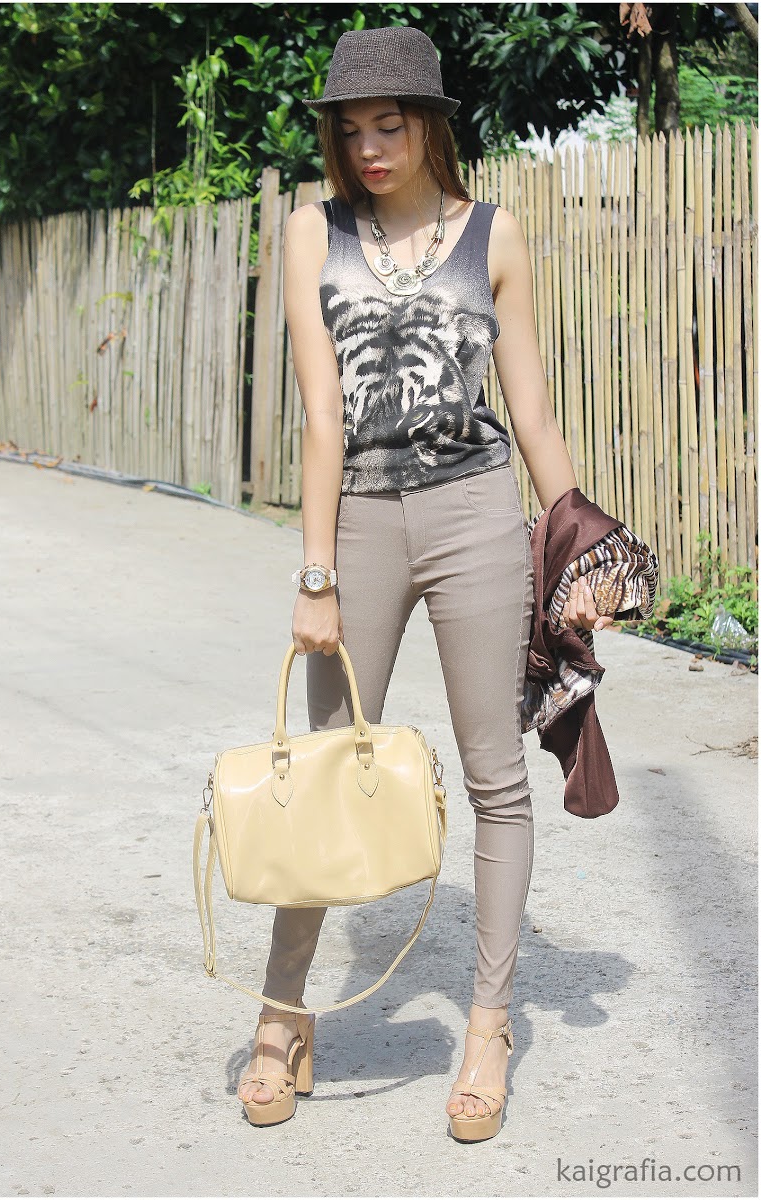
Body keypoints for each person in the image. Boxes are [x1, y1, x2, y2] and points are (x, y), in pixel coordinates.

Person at [233, 26, 613, 1142]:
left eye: (388, 126)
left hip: (474, 513)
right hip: (357, 519)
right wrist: (314, 571)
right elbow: (320, 413)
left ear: (430, 125)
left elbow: (530, 410)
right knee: (321, 768)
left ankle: (488, 1024)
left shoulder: (495, 235)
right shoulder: (313, 231)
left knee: (496, 777)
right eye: (351, 130)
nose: (369, 148)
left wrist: (579, 547)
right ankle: (283, 1016)